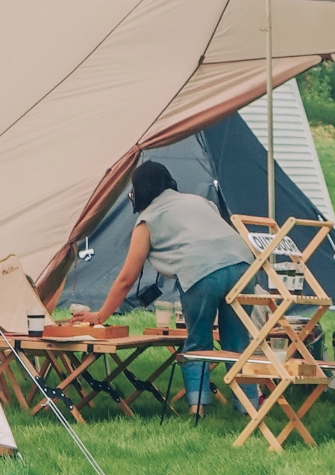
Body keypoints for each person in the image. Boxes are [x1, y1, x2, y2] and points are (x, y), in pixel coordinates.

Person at [73, 161, 252, 417]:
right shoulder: (201, 202)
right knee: (238, 341)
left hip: (201, 272)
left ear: (139, 190)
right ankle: (249, 407)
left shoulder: (148, 220)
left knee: (198, 341)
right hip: (243, 266)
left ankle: (198, 407)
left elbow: (126, 278)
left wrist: (99, 316)